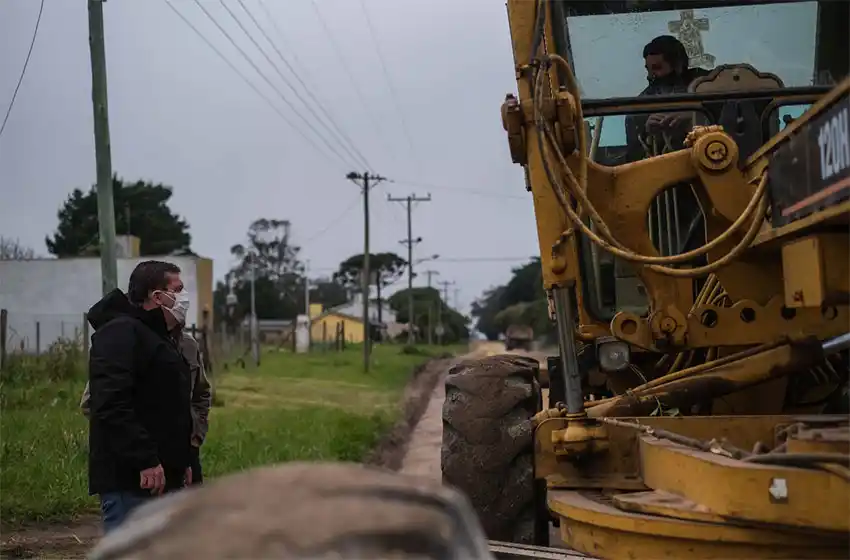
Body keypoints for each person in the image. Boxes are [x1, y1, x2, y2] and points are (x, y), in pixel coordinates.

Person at [86, 260, 194, 533]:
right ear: (157, 297)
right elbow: (111, 404)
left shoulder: (158, 338)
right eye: (177, 290)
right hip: (130, 481)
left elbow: (168, 407)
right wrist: (144, 460)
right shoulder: (120, 332)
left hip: (161, 477)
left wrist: (182, 463)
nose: (184, 297)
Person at [81, 312, 212, 485]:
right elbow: (95, 402)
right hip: (139, 457)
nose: (180, 302)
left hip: (183, 453)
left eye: (180, 291)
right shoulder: (131, 343)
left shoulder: (189, 346)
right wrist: (130, 438)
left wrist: (196, 436)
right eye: (172, 291)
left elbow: (201, 393)